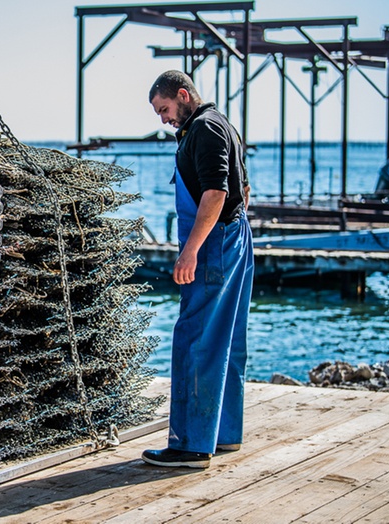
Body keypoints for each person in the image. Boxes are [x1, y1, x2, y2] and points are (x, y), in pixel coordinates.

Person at [142, 70, 254, 469]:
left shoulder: (204, 128)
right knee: (227, 339)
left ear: (184, 95)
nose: (164, 119)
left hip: (213, 246)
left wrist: (190, 252)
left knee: (195, 339)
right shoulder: (221, 123)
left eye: (165, 109)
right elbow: (242, 189)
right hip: (235, 236)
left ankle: (190, 444)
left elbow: (216, 192)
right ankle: (223, 435)